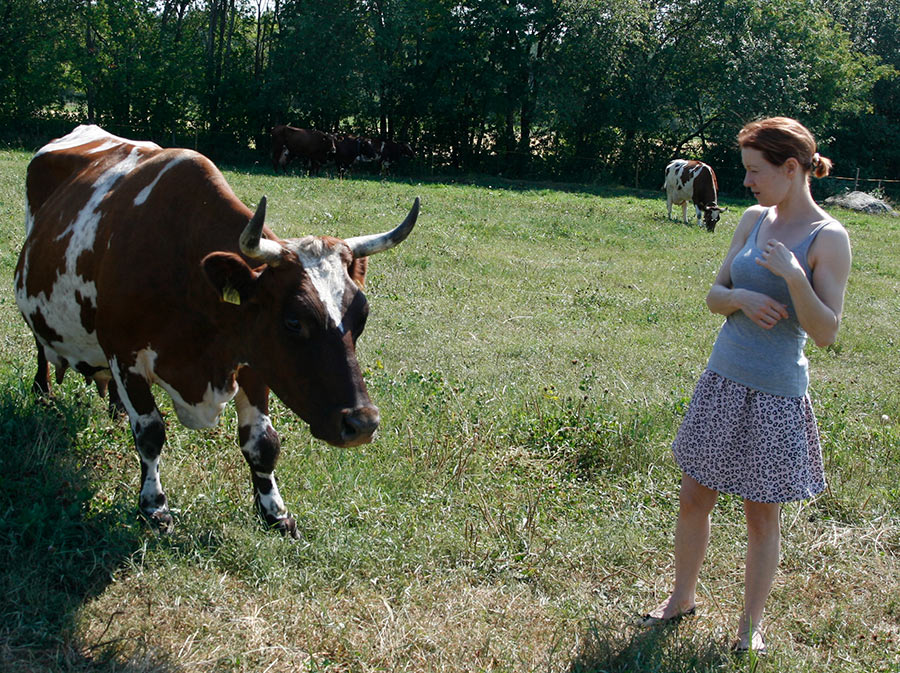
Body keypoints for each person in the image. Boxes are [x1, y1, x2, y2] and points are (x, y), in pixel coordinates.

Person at [640, 117, 852, 654]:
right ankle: (680, 598)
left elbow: (826, 331)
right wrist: (741, 299)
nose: (748, 182)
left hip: (776, 392)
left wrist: (794, 277)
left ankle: (748, 628)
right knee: (694, 496)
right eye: (745, 171)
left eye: (755, 171)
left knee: (761, 513)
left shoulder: (828, 237)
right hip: (723, 377)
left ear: (791, 168)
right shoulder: (753, 218)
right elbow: (715, 293)